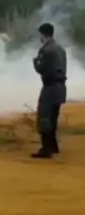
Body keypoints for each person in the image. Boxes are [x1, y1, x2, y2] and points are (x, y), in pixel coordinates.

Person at [32, 22, 67, 158]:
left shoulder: (45, 50)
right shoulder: (60, 49)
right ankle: (53, 145)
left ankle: (46, 148)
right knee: (53, 117)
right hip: (61, 87)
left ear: (42, 35)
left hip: (50, 86)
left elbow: (41, 68)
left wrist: (35, 62)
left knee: (44, 117)